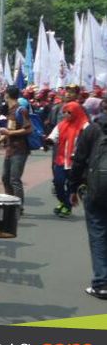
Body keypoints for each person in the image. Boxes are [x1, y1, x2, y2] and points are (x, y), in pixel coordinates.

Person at [68, 105, 107, 299]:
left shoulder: (92, 129)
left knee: (98, 233)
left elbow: (79, 160)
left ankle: (101, 283)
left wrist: (73, 187)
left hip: (96, 189)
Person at [47, 102, 90, 218]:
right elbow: (53, 136)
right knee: (58, 182)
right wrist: (49, 140)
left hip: (76, 161)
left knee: (71, 186)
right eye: (64, 112)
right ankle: (64, 202)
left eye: (69, 112)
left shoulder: (84, 125)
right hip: (61, 159)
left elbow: (89, 139)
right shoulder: (61, 124)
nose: (66, 114)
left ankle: (67, 207)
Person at [0, 85, 32, 208]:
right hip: (9, 149)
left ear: (7, 95)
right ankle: (10, 202)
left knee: (14, 179)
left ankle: (18, 207)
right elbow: (9, 129)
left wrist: (9, 133)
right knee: (5, 178)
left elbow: (28, 129)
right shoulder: (10, 110)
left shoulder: (21, 110)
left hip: (20, 150)